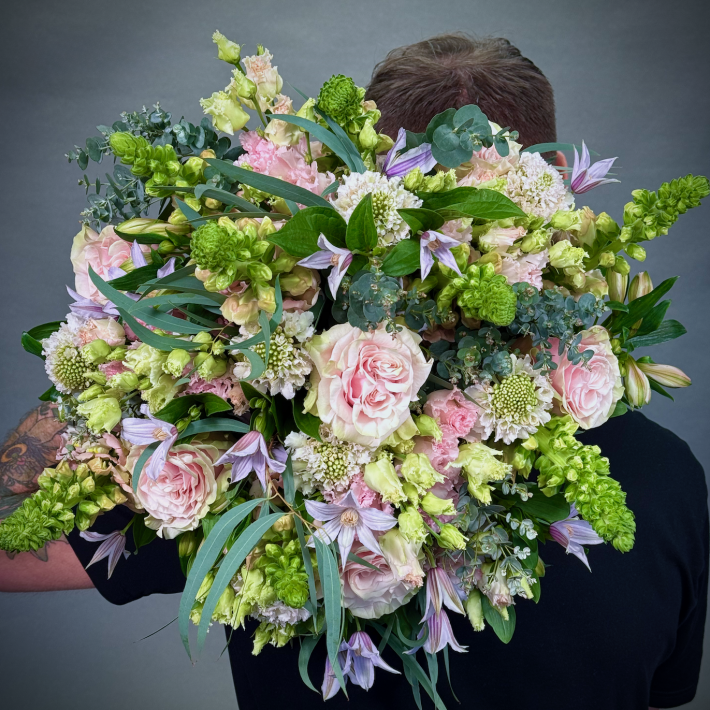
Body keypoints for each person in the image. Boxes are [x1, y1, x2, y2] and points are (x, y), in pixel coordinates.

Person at [1, 33, 707, 710]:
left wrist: (119, 341)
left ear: (363, 185)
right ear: (559, 206)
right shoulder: (670, 477)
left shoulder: (238, 464)